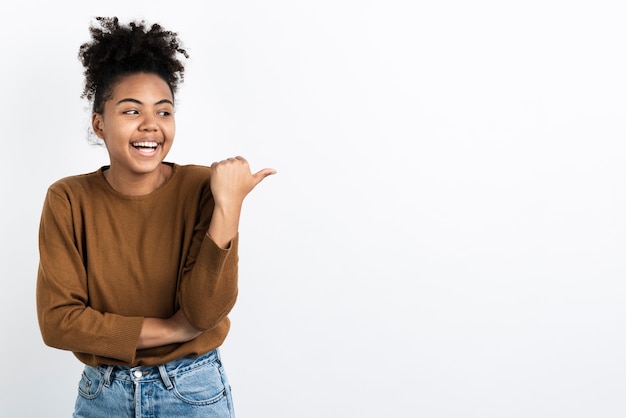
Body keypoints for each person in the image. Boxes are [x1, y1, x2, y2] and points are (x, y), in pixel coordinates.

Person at [36, 16, 275, 417]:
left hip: (191, 391)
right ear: (99, 123)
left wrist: (229, 206)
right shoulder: (67, 199)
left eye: (164, 112)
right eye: (131, 111)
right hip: (103, 394)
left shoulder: (204, 187)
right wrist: (171, 330)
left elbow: (203, 312)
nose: (151, 125)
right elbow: (59, 322)